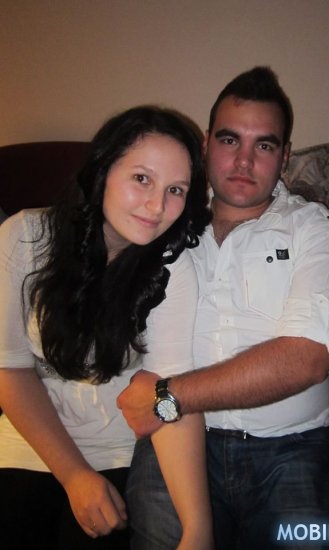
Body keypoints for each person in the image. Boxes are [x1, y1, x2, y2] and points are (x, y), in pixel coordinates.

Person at [118, 67, 329, 549]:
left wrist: (168, 397)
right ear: (206, 144)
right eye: (230, 140)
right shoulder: (161, 224)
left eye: (264, 145)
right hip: (181, 441)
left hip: (293, 449)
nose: (244, 161)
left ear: (284, 156)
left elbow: (306, 358)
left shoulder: (317, 231)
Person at [0, 106, 214, 550]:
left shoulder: (173, 268)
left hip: (120, 452)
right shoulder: (24, 237)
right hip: (29, 442)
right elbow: (10, 368)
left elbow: (170, 398)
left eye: (176, 189)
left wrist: (197, 529)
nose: (157, 206)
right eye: (142, 178)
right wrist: (74, 476)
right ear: (102, 172)